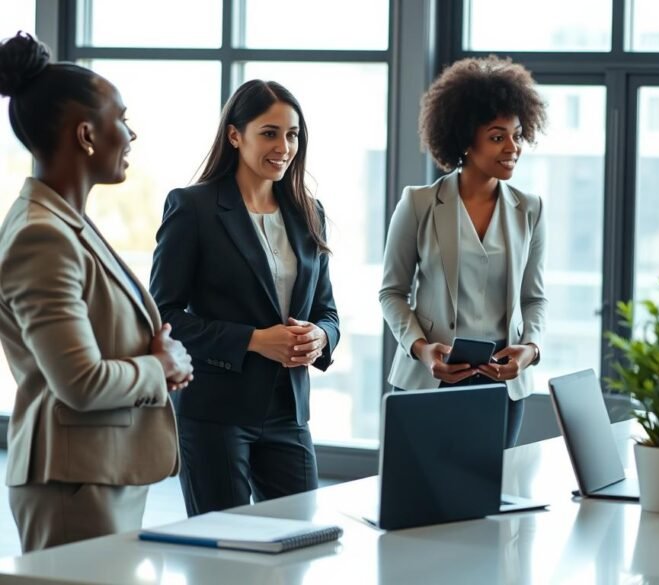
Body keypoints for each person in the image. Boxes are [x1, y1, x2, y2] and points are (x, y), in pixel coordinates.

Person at [0, 32, 192, 552]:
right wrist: (163, 367)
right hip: (72, 488)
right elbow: (80, 382)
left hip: (100, 477)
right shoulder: (42, 235)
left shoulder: (65, 222)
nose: (131, 134)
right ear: (86, 135)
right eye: (121, 120)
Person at [149, 80, 339, 516]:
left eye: (292, 134)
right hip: (216, 411)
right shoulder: (192, 207)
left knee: (298, 540)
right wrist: (253, 340)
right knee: (224, 552)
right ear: (235, 135)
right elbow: (163, 315)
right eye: (269, 133)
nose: (284, 146)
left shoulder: (309, 211)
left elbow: (327, 310)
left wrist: (320, 337)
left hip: (288, 412)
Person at [380, 56, 548, 448]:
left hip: (502, 390)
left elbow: (534, 298)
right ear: (465, 142)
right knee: (426, 502)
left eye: (517, 135)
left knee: (490, 501)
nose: (513, 148)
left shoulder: (530, 209)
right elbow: (391, 292)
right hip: (429, 381)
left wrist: (531, 350)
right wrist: (421, 350)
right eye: (497, 136)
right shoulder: (419, 203)